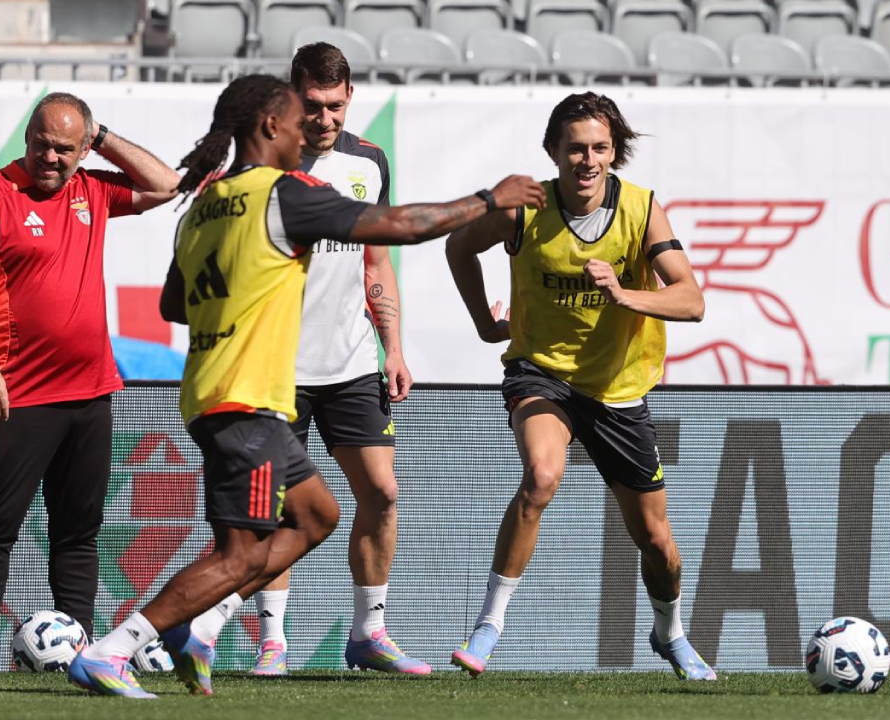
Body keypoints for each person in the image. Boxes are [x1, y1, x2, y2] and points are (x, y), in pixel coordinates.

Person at [67, 74, 544, 699]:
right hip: (248, 399)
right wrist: (489, 198)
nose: (306, 135)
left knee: (318, 514)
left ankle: (198, 628)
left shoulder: (204, 204)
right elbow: (399, 226)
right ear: (270, 127)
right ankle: (115, 649)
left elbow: (174, 304)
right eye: (296, 123)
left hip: (216, 393)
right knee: (240, 555)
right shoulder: (283, 194)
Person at [444, 92, 715, 681]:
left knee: (655, 540)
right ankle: (490, 625)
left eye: (599, 148)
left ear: (614, 153)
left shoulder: (642, 210)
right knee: (541, 475)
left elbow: (692, 301)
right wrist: (486, 325)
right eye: (575, 149)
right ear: (553, 152)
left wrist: (622, 294)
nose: (587, 161)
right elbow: (458, 246)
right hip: (540, 372)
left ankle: (669, 632)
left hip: (619, 390)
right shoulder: (525, 209)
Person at [0, 93, 179, 672]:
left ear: (83, 146)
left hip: (92, 392)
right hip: (16, 395)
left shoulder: (90, 189)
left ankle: (82, 647)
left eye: (65, 148)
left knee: (78, 532)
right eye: (43, 144)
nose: (51, 158)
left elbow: (167, 184)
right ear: (27, 137)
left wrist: (104, 139)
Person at [244, 42, 427, 678]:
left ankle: (368, 632)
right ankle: (272, 639)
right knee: (273, 509)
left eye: (336, 105)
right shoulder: (266, 162)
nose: (325, 118)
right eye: (314, 106)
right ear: (292, 97)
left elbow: (377, 260)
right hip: (277, 370)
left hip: (352, 364)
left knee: (382, 492)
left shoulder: (369, 162)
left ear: (350, 96)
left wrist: (393, 347)